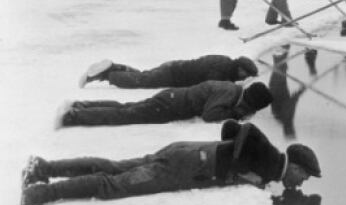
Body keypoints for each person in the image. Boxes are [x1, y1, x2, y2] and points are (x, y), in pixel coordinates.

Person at [21, 120, 321, 205]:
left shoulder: (270, 167)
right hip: (187, 167)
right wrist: (234, 167)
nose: (301, 182)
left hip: (185, 152)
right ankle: (39, 194)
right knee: (112, 185)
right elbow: (244, 129)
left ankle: (42, 168)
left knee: (114, 168)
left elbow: (230, 129)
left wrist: (234, 160)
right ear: (293, 166)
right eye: (304, 176)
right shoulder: (272, 159)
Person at [58, 80, 273, 127]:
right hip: (170, 105)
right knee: (126, 114)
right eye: (250, 109)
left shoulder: (232, 90)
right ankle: (73, 116)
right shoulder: (229, 93)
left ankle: (81, 105)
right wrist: (233, 115)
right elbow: (209, 115)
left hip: (172, 98)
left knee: (127, 108)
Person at [79, 55, 258, 88]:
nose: (244, 78)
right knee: (142, 81)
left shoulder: (224, 61)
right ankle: (108, 73)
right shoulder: (223, 68)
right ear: (241, 68)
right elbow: (211, 84)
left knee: (144, 75)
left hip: (175, 67)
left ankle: (116, 67)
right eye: (246, 74)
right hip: (174, 74)